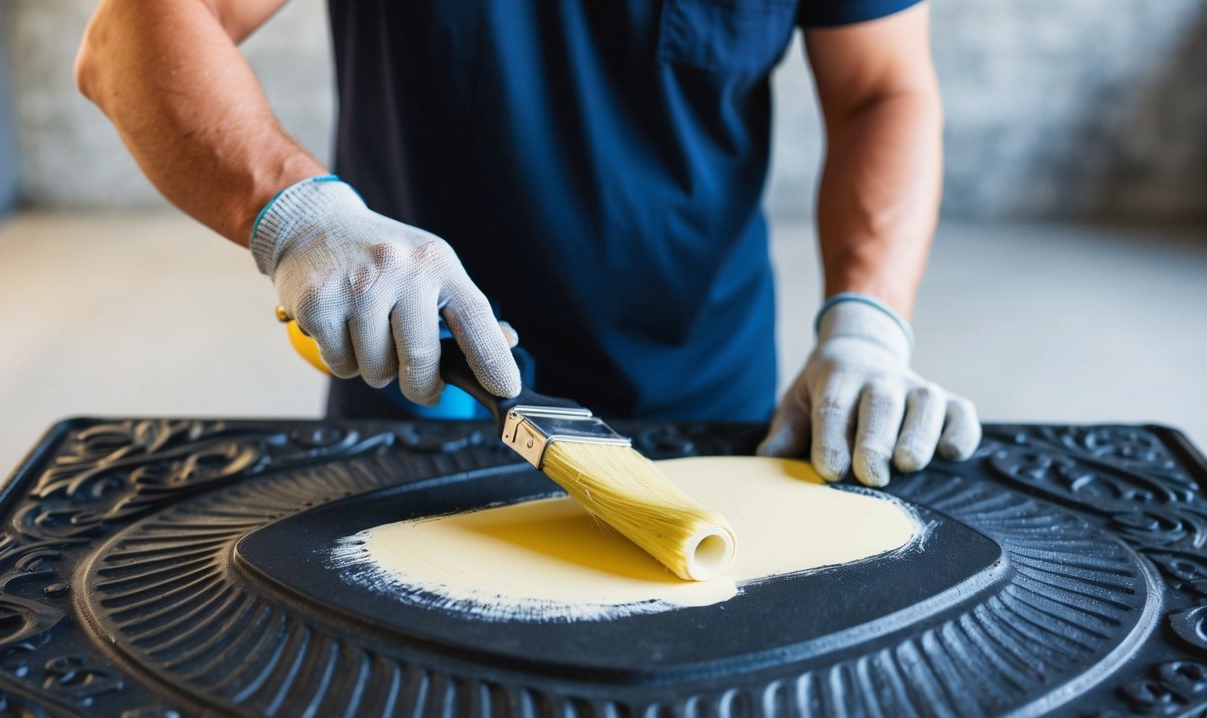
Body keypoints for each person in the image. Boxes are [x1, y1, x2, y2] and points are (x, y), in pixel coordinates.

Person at [75, 0, 980, 488]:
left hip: (705, 401)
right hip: (420, 393)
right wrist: (301, 215)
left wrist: (866, 322)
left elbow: (882, 93)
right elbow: (126, 35)